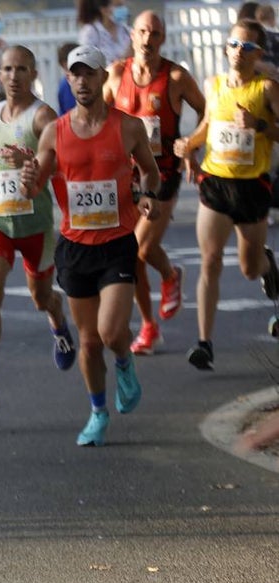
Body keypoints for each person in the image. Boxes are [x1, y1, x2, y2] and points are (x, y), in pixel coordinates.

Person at [21, 44, 160, 446]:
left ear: (103, 78)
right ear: (68, 79)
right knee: (88, 340)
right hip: (75, 247)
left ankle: (125, 360)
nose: (82, 81)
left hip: (117, 242)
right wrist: (30, 175)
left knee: (113, 330)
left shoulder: (129, 127)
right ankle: (98, 412)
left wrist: (147, 194)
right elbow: (34, 190)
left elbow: (149, 173)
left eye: (89, 73)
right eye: (75, 74)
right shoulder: (54, 131)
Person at [0, 45, 76, 412]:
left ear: (33, 73)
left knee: (41, 297)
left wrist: (35, 162)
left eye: (21, 69)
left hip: (34, 224)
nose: (13, 76)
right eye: (7, 69)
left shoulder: (43, 118)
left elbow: (61, 163)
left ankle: (58, 322)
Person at [174, 19, 279, 370]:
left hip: (252, 186)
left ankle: (267, 266)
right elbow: (207, 126)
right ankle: (204, 342)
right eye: (234, 45)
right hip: (216, 182)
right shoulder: (213, 85)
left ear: (258, 53)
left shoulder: (266, 89)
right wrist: (188, 146)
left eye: (247, 47)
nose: (238, 52)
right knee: (211, 260)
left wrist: (259, 126)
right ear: (225, 48)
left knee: (249, 269)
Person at [103, 11, 203, 355]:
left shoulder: (176, 77)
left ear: (163, 38)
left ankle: (171, 275)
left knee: (140, 248)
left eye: (155, 34)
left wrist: (190, 145)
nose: (148, 39)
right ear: (132, 35)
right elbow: (99, 117)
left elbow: (208, 113)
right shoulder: (117, 74)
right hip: (125, 176)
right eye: (143, 32)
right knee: (132, 258)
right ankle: (148, 327)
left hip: (162, 175)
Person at [77, 0, 131, 65]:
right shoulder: (90, 33)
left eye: (123, 5)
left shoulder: (126, 30)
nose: (123, 9)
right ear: (104, 10)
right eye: (118, 6)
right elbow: (87, 63)